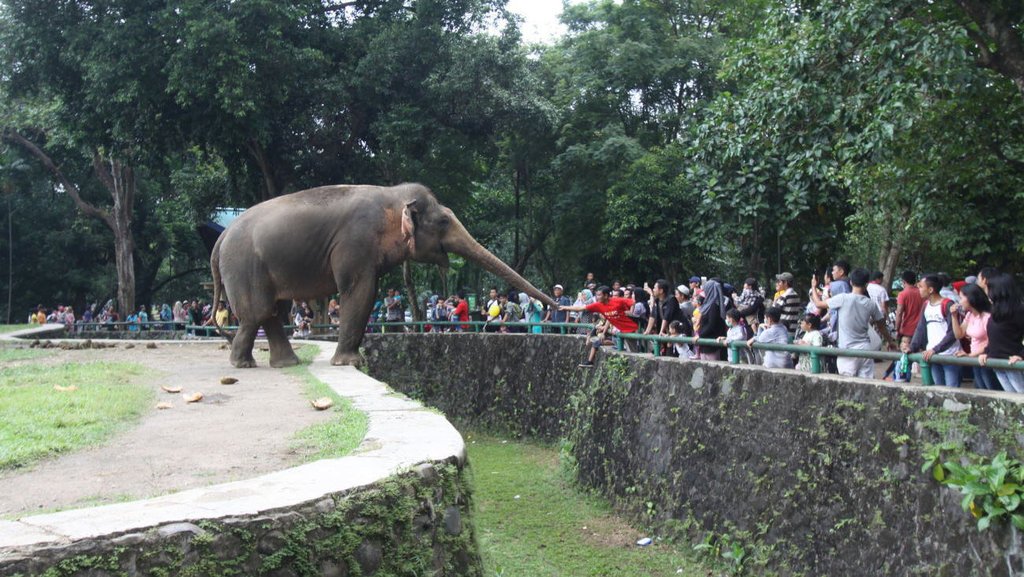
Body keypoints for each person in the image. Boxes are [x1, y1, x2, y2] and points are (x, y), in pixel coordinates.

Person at [830, 268, 897, 378]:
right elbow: (881, 326)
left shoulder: (842, 298)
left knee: (847, 384)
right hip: (865, 349)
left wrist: (813, 287)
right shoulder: (870, 304)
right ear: (866, 284)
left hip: (847, 349)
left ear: (851, 282)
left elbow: (819, 304)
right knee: (866, 384)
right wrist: (890, 341)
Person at [559, 285, 637, 367]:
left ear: (606, 295)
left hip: (635, 330)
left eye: (599, 295)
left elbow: (632, 302)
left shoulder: (617, 301)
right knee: (633, 354)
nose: (597, 297)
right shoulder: (598, 305)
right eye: (596, 295)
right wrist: (564, 307)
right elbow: (581, 308)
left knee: (639, 352)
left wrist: (630, 312)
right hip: (622, 332)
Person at [907, 274, 962, 387]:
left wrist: (936, 349)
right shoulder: (926, 305)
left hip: (948, 354)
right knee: (938, 387)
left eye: (921, 287)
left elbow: (952, 332)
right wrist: (912, 347)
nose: (919, 289)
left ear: (931, 289)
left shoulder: (947, 304)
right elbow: (920, 328)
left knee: (952, 388)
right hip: (931, 354)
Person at [978, 274, 1024, 393]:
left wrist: (1021, 355)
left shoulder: (1018, 310)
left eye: (989, 289)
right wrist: (986, 352)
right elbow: (995, 337)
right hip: (996, 361)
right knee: (1010, 398)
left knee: (1020, 393)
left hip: (1013, 362)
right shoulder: (995, 310)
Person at [951, 283, 999, 391]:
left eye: (961, 297)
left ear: (971, 298)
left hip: (986, 359)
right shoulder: (970, 315)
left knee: (991, 389)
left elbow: (992, 341)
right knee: (980, 390)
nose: (959, 301)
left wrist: (970, 354)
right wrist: (954, 317)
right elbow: (959, 334)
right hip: (975, 359)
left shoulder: (987, 317)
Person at [693, 279, 728, 360]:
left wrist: (700, 334)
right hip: (704, 342)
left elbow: (711, 324)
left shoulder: (714, 306)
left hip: (711, 344)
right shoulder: (707, 303)